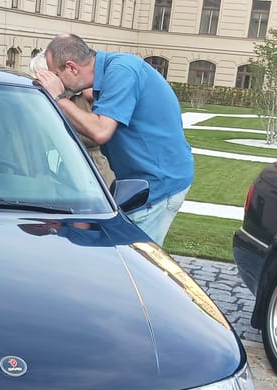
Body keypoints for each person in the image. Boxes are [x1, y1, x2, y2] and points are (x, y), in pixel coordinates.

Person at [35, 34, 193, 246]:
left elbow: (101, 131)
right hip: (138, 184)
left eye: (56, 75)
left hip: (157, 186)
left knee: (137, 262)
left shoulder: (122, 71)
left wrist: (59, 98)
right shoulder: (113, 70)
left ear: (72, 67)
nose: (56, 83)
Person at [29, 51, 116, 187]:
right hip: (57, 175)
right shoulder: (37, 101)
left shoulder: (87, 94)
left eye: (45, 77)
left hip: (95, 172)